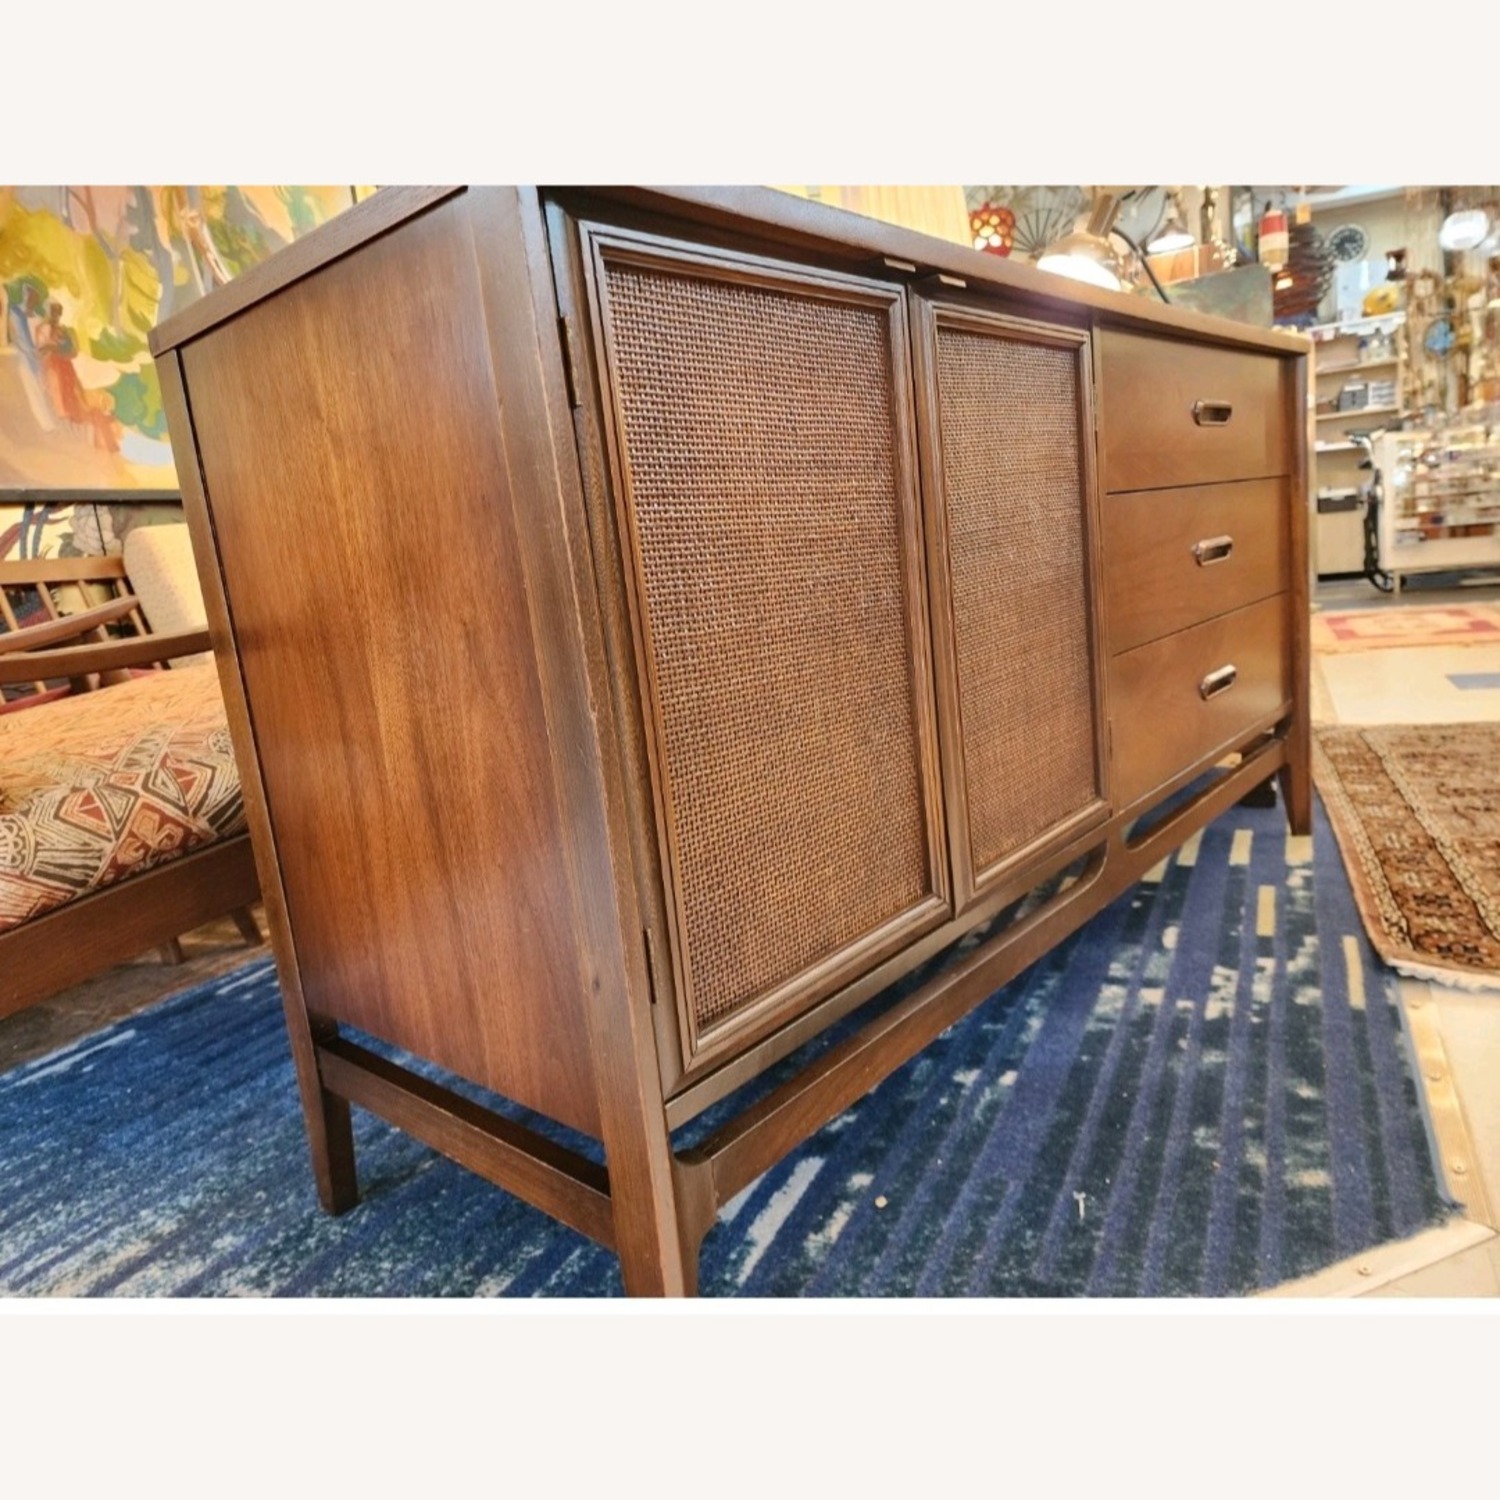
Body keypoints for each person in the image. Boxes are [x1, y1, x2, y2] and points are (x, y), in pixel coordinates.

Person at [33, 300, 119, 453]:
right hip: (51, 367)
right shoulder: (43, 328)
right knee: (55, 394)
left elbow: (72, 350)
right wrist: (52, 348)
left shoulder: (65, 331)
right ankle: (60, 426)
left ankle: (80, 430)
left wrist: (57, 347)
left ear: (60, 314)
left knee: (71, 395)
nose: (55, 315)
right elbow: (40, 350)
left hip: (65, 367)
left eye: (58, 312)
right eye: (53, 312)